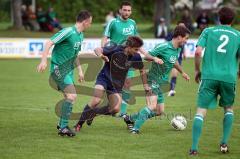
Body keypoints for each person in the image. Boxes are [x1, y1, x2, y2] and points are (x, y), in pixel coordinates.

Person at [74, 36, 163, 131]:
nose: (137, 52)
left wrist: (145, 86)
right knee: (96, 100)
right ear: (129, 47)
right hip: (104, 78)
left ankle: (94, 113)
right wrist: (101, 55)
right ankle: (79, 124)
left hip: (116, 85)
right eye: (136, 49)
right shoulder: (115, 49)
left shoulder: (135, 57)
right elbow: (97, 49)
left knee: (115, 109)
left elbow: (142, 70)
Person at [189, 7, 240, 155]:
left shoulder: (208, 31)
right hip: (228, 77)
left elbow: (198, 51)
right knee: (228, 109)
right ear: (233, 20)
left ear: (218, 18)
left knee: (201, 112)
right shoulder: (238, 35)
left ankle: (194, 148)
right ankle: (224, 143)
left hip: (209, 76)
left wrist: (197, 70)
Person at [123, 25, 191, 134]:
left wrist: (182, 72)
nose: (187, 41)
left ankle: (130, 118)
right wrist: (155, 58)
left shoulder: (177, 48)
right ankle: (135, 129)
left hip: (162, 82)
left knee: (159, 111)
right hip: (152, 79)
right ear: (179, 37)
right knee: (152, 106)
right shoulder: (164, 46)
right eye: (186, 38)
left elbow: (174, 61)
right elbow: (147, 56)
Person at [37, 10, 92, 137]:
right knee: (72, 96)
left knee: (69, 98)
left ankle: (62, 124)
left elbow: (75, 55)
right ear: (85, 22)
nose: (90, 25)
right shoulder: (68, 32)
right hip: (58, 69)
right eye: (90, 22)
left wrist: (80, 71)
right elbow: (49, 42)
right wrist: (44, 61)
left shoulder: (80, 35)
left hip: (68, 71)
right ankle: (63, 127)